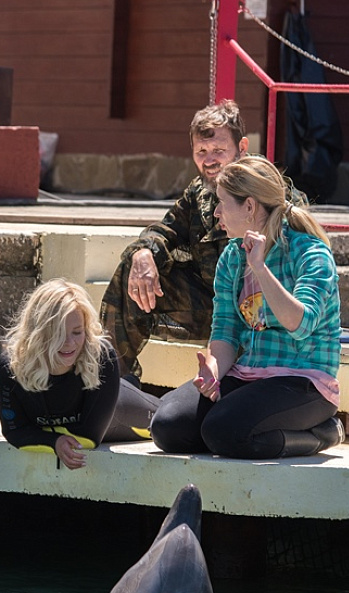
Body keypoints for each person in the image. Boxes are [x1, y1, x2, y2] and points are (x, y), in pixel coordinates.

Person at [150, 156, 343, 459]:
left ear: (250, 207)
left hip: (304, 382)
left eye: (222, 203)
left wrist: (261, 269)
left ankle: (321, 434)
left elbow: (300, 323)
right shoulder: (231, 256)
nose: (216, 213)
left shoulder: (309, 252)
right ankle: (238, 428)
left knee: (224, 430)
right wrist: (213, 372)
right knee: (168, 426)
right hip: (248, 376)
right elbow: (225, 332)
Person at [100, 100, 248, 382]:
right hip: (210, 305)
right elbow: (165, 230)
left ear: (242, 148)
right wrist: (143, 253)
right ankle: (110, 385)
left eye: (219, 150)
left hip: (255, 310)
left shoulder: (267, 187)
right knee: (129, 273)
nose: (209, 160)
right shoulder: (199, 193)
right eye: (201, 151)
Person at [0, 280, 162, 470]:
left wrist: (46, 437)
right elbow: (14, 432)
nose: (69, 343)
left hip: (120, 411)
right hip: (96, 407)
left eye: (77, 332)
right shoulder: (12, 366)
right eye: (58, 333)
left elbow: (90, 437)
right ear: (38, 333)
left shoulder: (102, 358)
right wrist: (55, 441)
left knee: (165, 422)